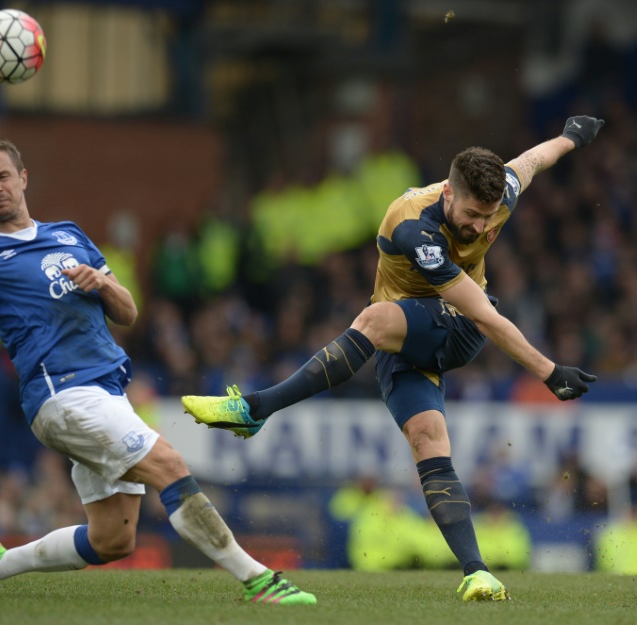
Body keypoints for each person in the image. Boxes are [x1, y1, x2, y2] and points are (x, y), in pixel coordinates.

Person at [0, 138, 315, 605]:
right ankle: (260, 581)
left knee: (112, 540)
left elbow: (128, 312)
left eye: (3, 176)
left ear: (23, 178)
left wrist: (102, 281)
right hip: (62, 394)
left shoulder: (68, 235)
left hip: (106, 392)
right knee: (170, 466)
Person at [182, 115, 605, 601]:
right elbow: (484, 314)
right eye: (471, 213)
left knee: (376, 319)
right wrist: (550, 371)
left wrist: (572, 136)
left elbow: (532, 161)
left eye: (488, 217)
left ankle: (255, 408)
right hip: (417, 336)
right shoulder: (413, 226)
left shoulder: (498, 192)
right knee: (428, 439)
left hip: (456, 328)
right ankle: (477, 571)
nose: (479, 226)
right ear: (448, 192)